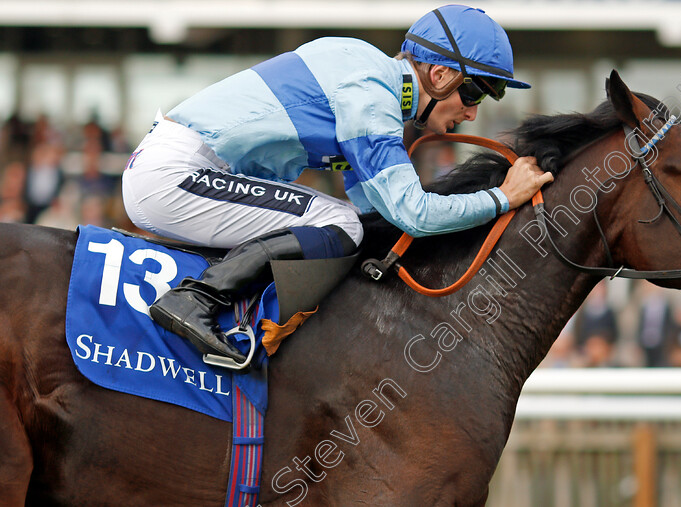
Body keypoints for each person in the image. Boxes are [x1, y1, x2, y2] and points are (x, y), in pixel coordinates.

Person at [121, 5, 552, 363]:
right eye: (476, 94)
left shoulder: (366, 71)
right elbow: (412, 214)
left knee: (348, 222)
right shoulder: (372, 91)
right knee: (339, 224)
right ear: (440, 75)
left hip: (178, 169)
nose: (473, 113)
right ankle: (195, 300)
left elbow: (372, 207)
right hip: (177, 174)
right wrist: (502, 197)